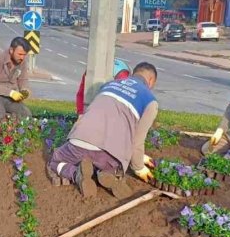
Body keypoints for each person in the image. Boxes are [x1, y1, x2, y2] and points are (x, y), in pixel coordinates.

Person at [48, 62, 159, 197]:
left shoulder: (109, 85)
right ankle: (107, 173)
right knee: (109, 162)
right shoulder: (149, 101)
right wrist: (139, 167)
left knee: (56, 160)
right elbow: (137, 140)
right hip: (109, 154)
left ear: (134, 73)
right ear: (151, 80)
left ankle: (77, 175)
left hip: (80, 142)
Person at [0, 37, 32, 119]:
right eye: (20, 54)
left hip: (9, 97)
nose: (22, 57)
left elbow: (23, 79)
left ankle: (18, 130)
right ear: (11, 50)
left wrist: (24, 90)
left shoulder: (22, 62)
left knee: (25, 114)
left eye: (24, 55)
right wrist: (11, 93)